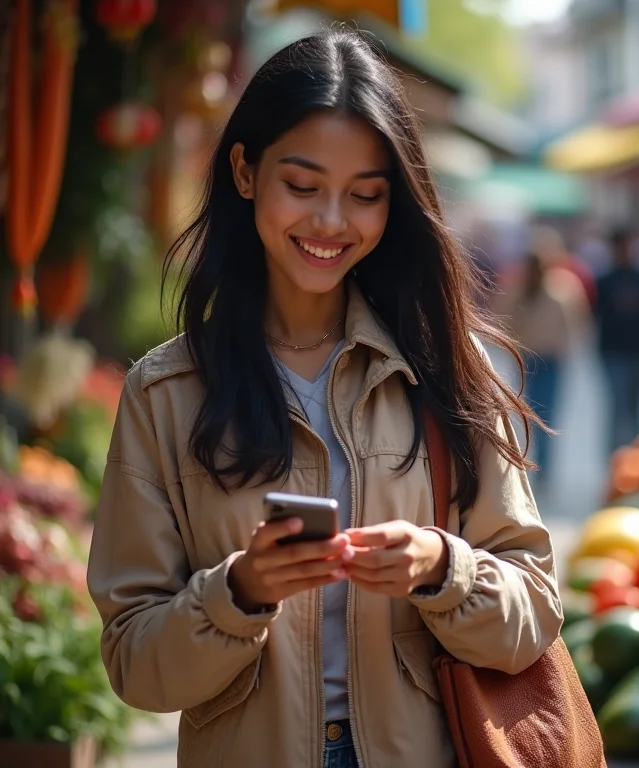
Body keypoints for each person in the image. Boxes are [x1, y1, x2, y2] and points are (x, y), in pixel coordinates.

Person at [86, 29, 563, 768]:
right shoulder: (164, 393)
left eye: (364, 196)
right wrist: (238, 591)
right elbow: (134, 664)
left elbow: (534, 612)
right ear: (246, 172)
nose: (331, 222)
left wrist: (443, 567)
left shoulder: (442, 369)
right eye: (303, 186)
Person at [497, 252, 578, 482]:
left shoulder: (558, 294)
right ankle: (532, 462)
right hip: (528, 361)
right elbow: (504, 322)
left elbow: (570, 327)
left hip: (550, 361)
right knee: (530, 413)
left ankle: (544, 466)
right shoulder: (518, 293)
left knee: (547, 414)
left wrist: (565, 352)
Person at [595, 228, 639, 452]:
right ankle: (615, 457)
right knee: (618, 405)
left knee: (637, 407)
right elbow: (593, 314)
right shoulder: (605, 280)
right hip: (613, 352)